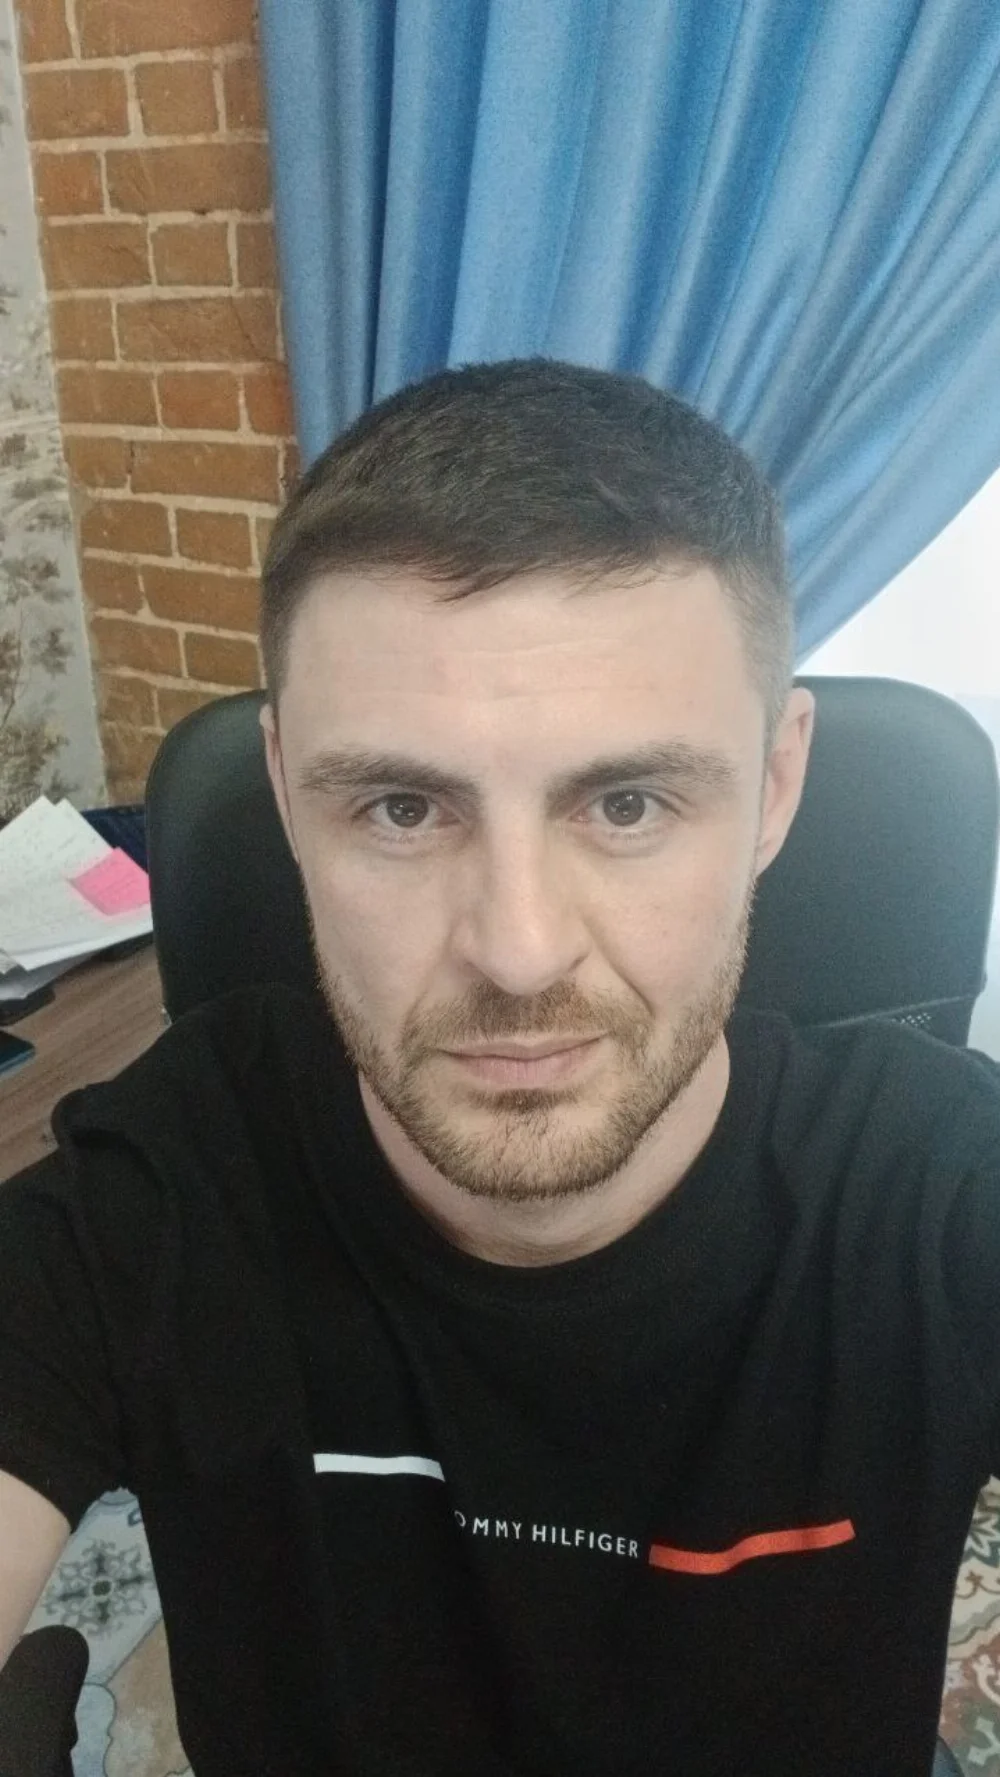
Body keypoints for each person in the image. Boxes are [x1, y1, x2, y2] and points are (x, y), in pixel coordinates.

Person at [0, 359, 998, 1777]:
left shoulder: (941, 1195)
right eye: (403, 808)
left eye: (628, 803)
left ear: (775, 788)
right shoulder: (167, 1187)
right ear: (284, 791)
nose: (520, 955)